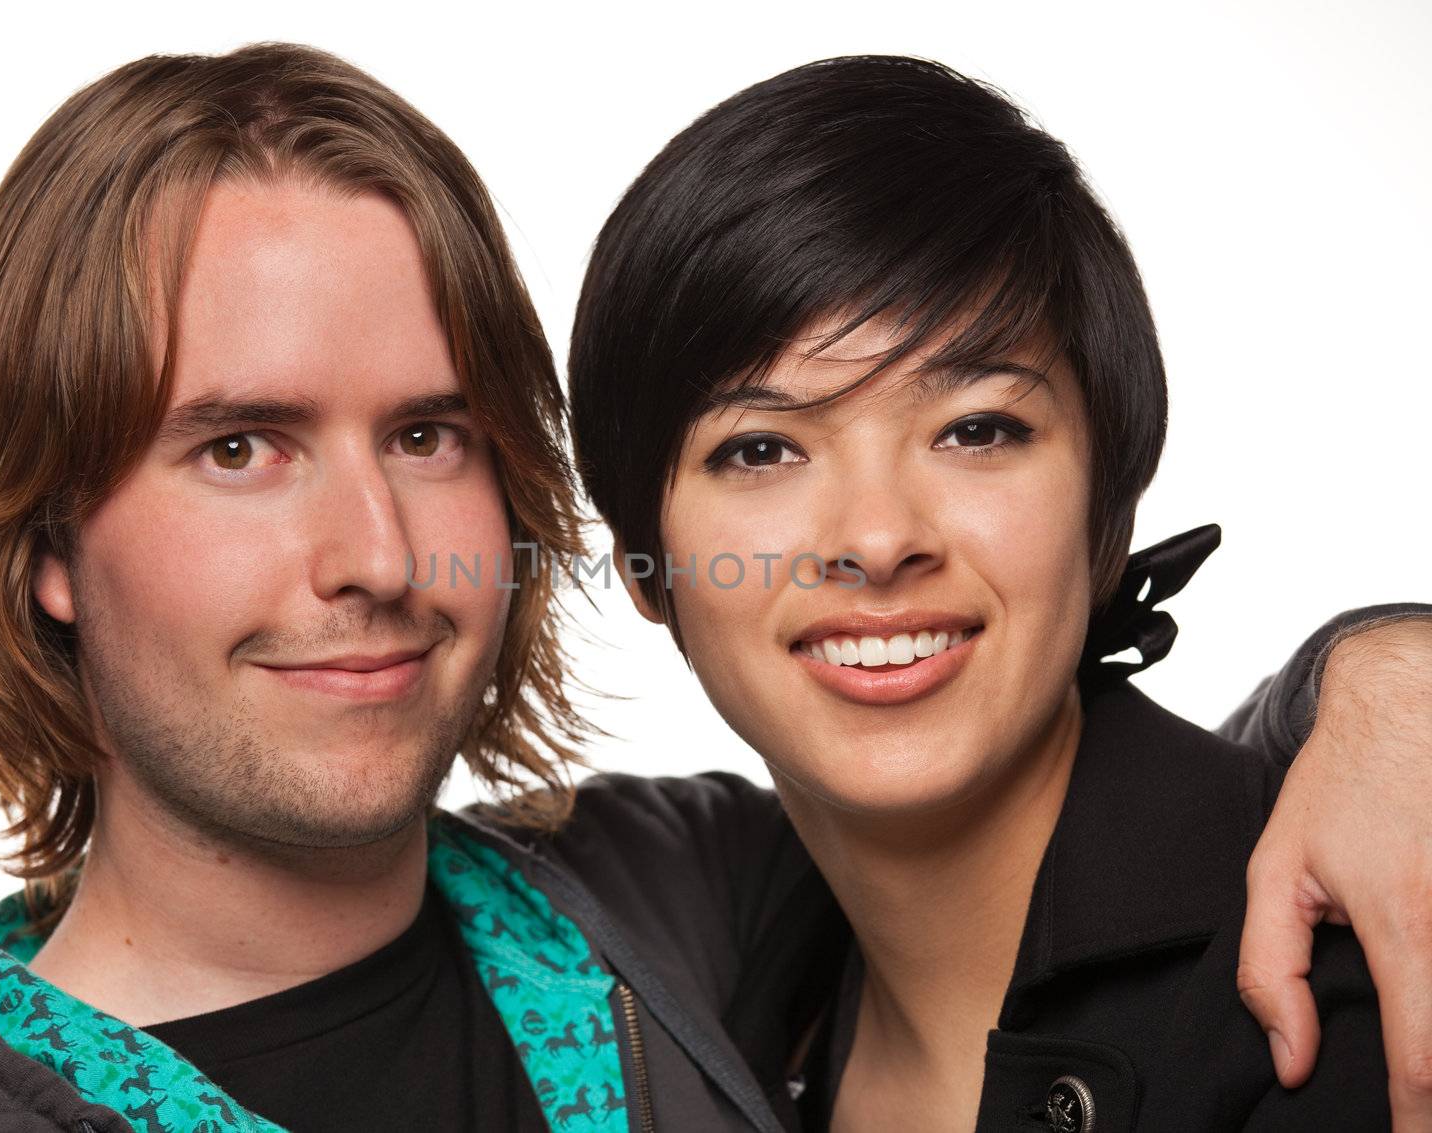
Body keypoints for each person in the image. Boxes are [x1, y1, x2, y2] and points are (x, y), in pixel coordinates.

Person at [0, 42, 1426, 1133]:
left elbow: (1070, 824)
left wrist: (1384, 678)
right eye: (241, 446)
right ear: (43, 541)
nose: (378, 556)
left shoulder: (681, 893)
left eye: (429, 433)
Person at [565, 54, 1426, 1128]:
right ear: (646, 564)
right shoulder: (714, 977)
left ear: (1106, 508)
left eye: (977, 428)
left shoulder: (1363, 985)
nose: (877, 539)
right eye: (760, 449)